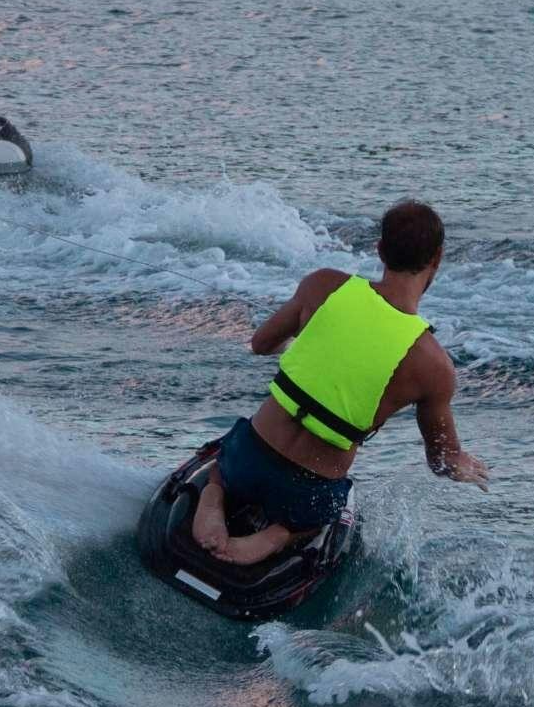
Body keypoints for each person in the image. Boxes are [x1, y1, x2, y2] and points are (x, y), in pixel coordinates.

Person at [194, 199, 489, 566]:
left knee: (220, 467)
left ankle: (215, 494)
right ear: (437, 259)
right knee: (316, 517)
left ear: (380, 249)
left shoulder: (324, 285)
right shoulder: (434, 365)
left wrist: (302, 343)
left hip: (247, 459)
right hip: (307, 494)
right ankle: (278, 535)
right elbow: (442, 460)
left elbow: (261, 344)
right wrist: (462, 464)